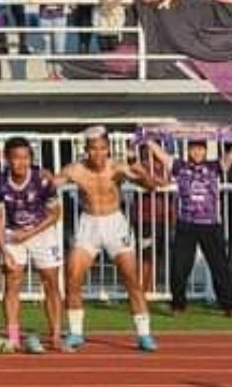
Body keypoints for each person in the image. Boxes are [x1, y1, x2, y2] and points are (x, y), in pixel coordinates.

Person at [55, 127, 161, 352]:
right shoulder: (75, 169)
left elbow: (151, 186)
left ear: (108, 149)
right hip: (89, 224)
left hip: (115, 224)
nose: (98, 153)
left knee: (131, 279)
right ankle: (75, 332)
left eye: (102, 148)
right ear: (86, 150)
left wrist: (141, 173)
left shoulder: (118, 167)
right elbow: (50, 185)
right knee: (73, 276)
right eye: (93, 149)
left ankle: (144, 334)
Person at [148, 132, 232, 316]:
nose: (197, 152)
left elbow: (231, 156)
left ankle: (228, 306)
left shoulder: (214, 166)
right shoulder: (180, 167)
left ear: (205, 151)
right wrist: (148, 140)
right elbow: (162, 155)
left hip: (210, 224)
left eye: (200, 149)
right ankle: (178, 305)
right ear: (188, 151)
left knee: (219, 267)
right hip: (186, 224)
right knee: (179, 267)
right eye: (194, 149)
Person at [0, 136, 63, 354]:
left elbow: (55, 214)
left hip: (41, 231)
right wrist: (3, 249)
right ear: (8, 159)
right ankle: (13, 337)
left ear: (31, 159)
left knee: (51, 281)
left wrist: (30, 233)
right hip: (13, 233)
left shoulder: (42, 180)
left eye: (25, 158)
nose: (21, 162)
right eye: (16, 158)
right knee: (12, 281)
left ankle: (55, 335)